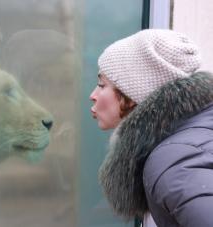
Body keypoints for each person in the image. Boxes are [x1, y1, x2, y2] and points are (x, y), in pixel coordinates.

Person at [89, 29, 213, 227]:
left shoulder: (172, 163)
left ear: (130, 96)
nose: (93, 95)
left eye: (101, 85)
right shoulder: (180, 142)